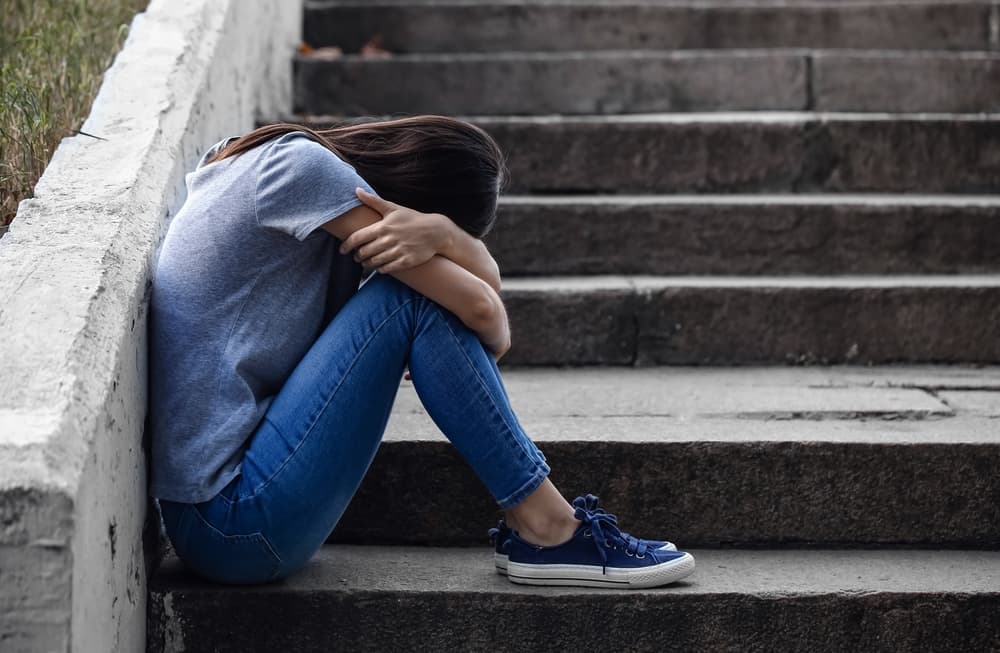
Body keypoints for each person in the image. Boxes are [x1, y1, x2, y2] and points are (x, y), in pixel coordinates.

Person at [148, 115, 695, 589]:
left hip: (233, 512)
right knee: (412, 300)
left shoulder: (269, 160)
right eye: (442, 224)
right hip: (230, 523)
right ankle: (549, 528)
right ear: (414, 198)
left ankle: (546, 526)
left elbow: (481, 290)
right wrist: (474, 295)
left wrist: (449, 239)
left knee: (415, 294)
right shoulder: (301, 170)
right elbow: (481, 310)